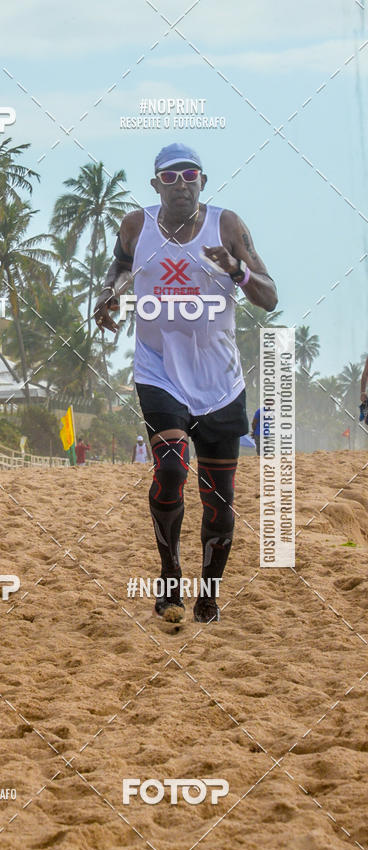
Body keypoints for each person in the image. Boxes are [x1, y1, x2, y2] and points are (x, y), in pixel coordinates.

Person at [94, 143, 277, 624]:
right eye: (170, 177)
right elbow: (119, 266)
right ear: (155, 185)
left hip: (220, 382)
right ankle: (170, 574)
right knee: (172, 471)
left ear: (203, 180)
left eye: (190, 174)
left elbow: (270, 296)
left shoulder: (228, 226)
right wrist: (109, 294)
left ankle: (209, 594)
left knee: (219, 499)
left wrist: (235, 269)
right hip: (158, 371)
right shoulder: (137, 225)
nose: (181, 184)